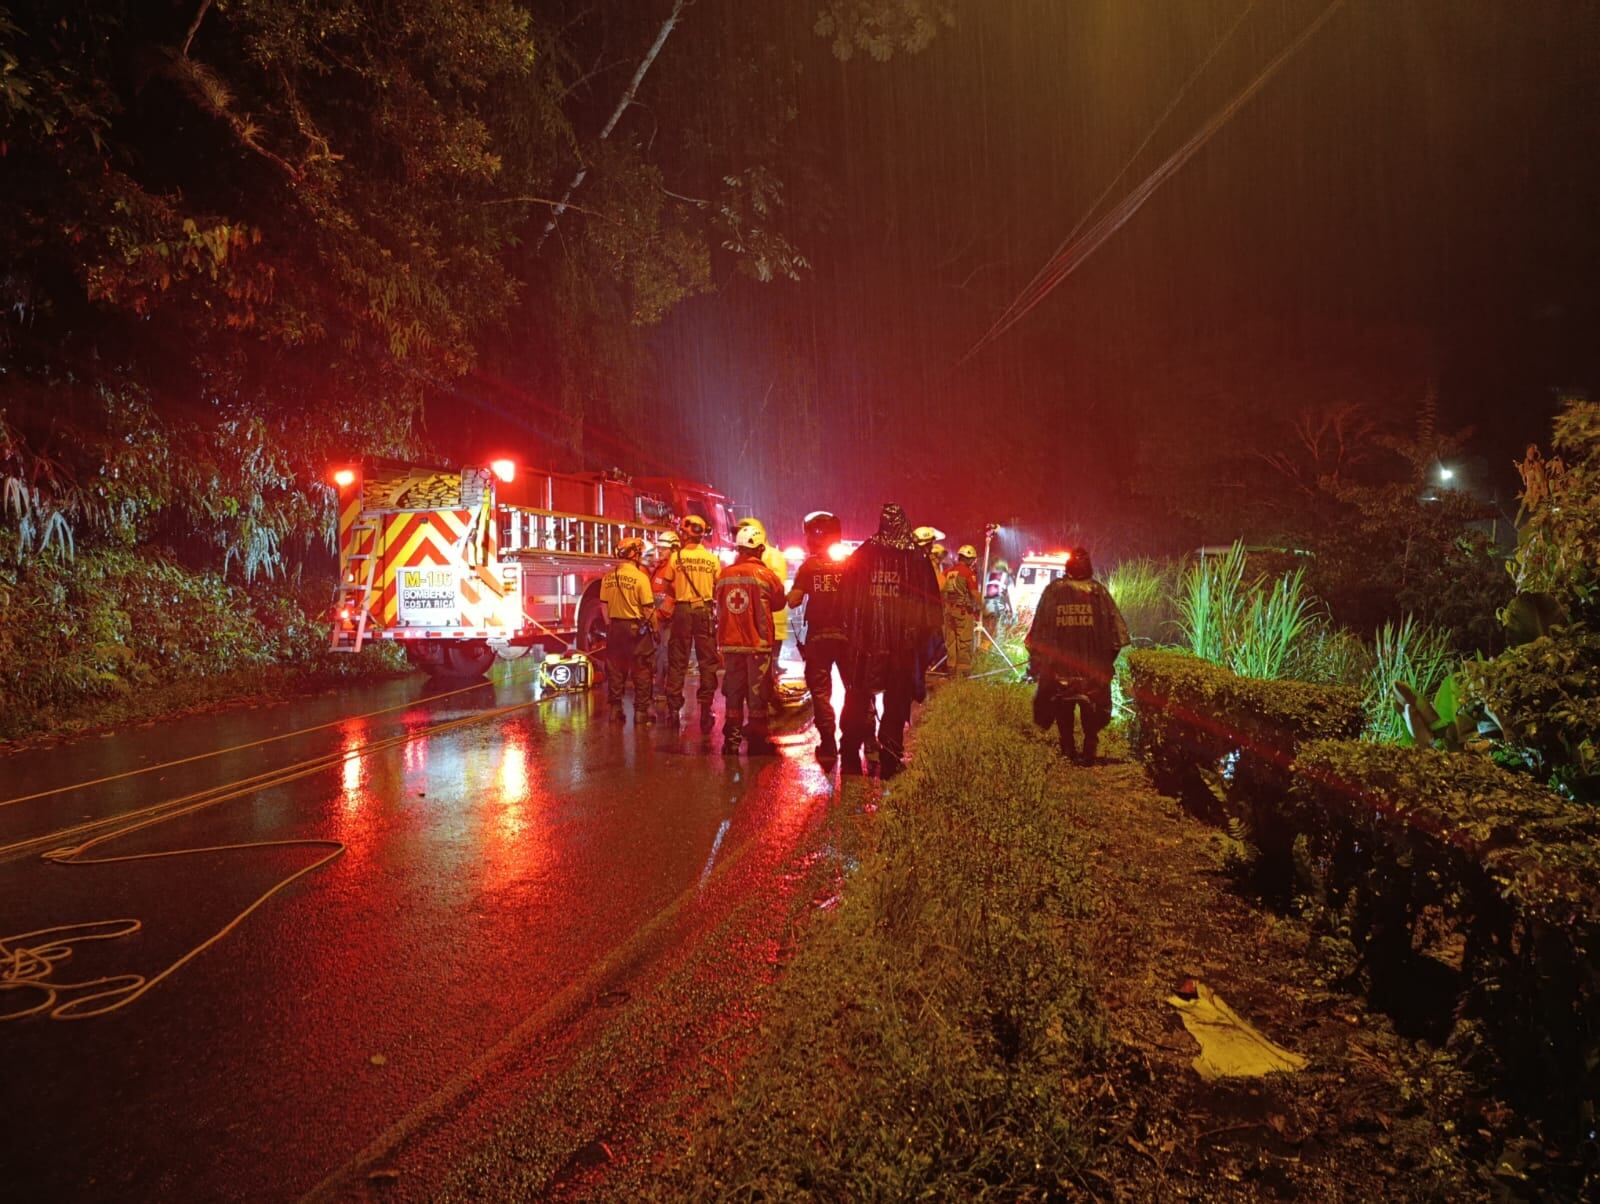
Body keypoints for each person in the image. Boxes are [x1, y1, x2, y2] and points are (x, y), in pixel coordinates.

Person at [838, 503, 941, 778]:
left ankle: (849, 755)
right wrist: (924, 643)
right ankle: (891, 759)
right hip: (902, 649)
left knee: (858, 698)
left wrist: (853, 636)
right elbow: (931, 606)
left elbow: (844, 600)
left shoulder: (863, 554)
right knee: (896, 704)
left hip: (866, 645)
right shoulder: (917, 558)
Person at [1025, 545, 1129, 765]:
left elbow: (1040, 628)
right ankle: (1089, 750)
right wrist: (1104, 664)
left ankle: (1068, 748)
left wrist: (1039, 659)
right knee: (1090, 709)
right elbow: (1117, 635)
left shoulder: (1054, 590)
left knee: (1064, 706)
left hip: (1060, 669)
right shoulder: (1099, 592)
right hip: (1091, 671)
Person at [716, 524, 786, 755]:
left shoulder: (724, 575)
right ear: (759, 549)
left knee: (733, 693)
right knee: (758, 695)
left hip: (730, 644)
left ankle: (732, 742)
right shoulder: (766, 575)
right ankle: (757, 743)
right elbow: (779, 603)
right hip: (757, 645)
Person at [788, 510, 849, 762]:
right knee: (856, 689)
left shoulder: (809, 566)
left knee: (821, 691)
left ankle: (828, 744)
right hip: (848, 636)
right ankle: (860, 742)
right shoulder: (850, 564)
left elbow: (793, 601)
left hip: (818, 637)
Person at [657, 514, 721, 731]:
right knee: (707, 662)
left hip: (682, 611)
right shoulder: (712, 559)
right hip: (704, 610)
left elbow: (666, 585)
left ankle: (673, 711)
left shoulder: (677, 557)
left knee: (677, 661)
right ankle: (706, 710)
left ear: (685, 534)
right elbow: (718, 586)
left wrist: (681, 593)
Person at [597, 537, 657, 724]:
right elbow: (648, 609)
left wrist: (610, 626)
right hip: (636, 629)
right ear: (634, 554)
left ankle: (615, 710)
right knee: (641, 670)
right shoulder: (641, 578)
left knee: (615, 670)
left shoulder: (607, 578)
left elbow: (604, 607)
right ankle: (641, 712)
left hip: (615, 628)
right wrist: (654, 629)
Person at [735, 516, 790, 716]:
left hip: (769, 623)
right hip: (749, 627)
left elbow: (775, 590)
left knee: (766, 671)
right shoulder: (738, 560)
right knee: (755, 674)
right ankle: (762, 710)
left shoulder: (773, 557)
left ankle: (767, 707)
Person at [941, 544, 981, 676]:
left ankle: (951, 672)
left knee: (950, 643)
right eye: (973, 559)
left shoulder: (947, 572)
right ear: (969, 559)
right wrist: (984, 608)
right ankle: (963, 675)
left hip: (947, 612)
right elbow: (974, 593)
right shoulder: (968, 573)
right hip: (963, 612)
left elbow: (940, 588)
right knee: (964, 642)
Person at [649, 529, 681, 694]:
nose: (659, 550)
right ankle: (659, 686)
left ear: (674, 549)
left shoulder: (675, 569)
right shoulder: (659, 567)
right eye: (658, 547)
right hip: (657, 620)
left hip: (669, 620)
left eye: (663, 548)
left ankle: (663, 689)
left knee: (666, 655)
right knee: (659, 654)